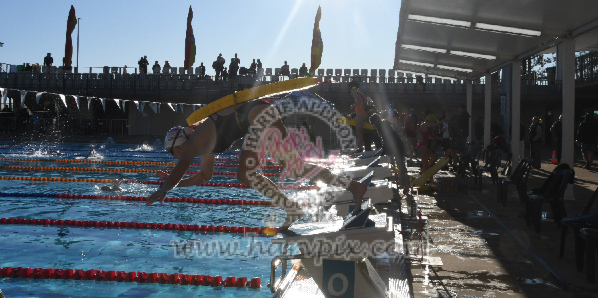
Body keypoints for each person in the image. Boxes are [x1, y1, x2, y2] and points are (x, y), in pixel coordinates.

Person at [147, 100, 368, 231]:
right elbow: (204, 176)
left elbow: (181, 166)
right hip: (253, 122)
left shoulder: (192, 143)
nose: (174, 156)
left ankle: (352, 187)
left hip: (257, 114)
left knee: (292, 168)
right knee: (249, 173)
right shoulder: (202, 145)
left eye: (172, 152)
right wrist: (174, 185)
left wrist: (163, 189)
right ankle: (293, 208)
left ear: (178, 144)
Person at [369, 112, 410, 195]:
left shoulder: (382, 126)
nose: (373, 126)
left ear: (375, 122)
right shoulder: (384, 123)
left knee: (400, 166)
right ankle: (404, 182)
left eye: (373, 124)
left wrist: (382, 152)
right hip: (397, 145)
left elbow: (387, 140)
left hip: (397, 146)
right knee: (400, 165)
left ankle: (406, 185)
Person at [349, 87, 367, 152]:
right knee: (360, 132)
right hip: (362, 113)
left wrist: (352, 106)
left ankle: (360, 148)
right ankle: (360, 147)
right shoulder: (360, 94)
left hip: (359, 114)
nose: (353, 96)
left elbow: (358, 102)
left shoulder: (356, 94)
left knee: (359, 132)